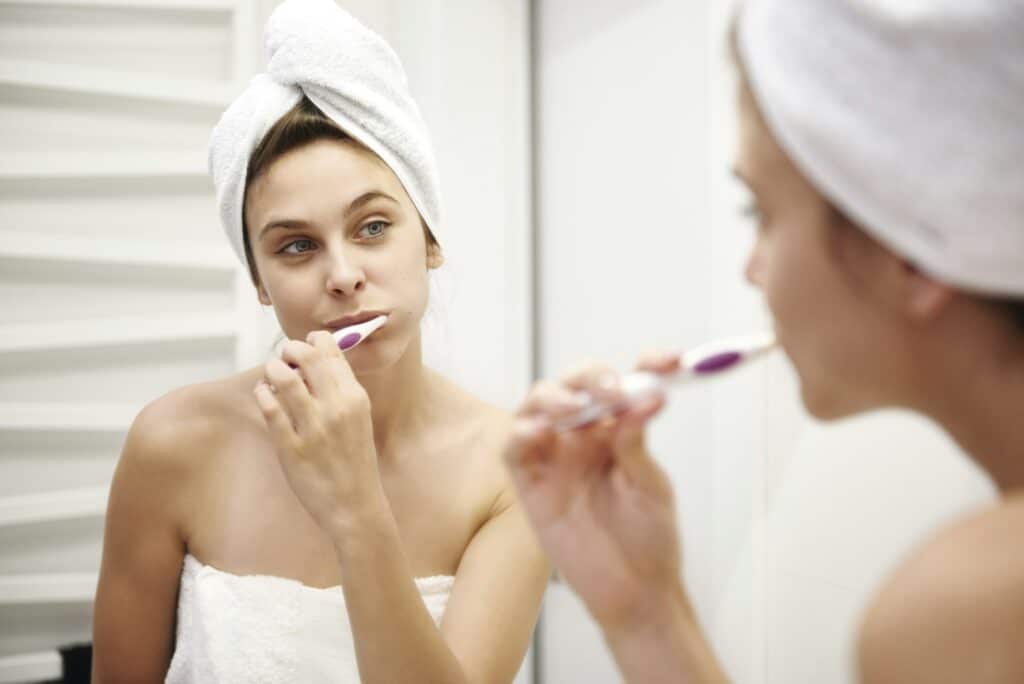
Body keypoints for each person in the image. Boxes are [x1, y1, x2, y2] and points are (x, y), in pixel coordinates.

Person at [504, 1, 1024, 682]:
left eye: (762, 212)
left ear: (912, 252)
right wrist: (646, 612)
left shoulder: (967, 617)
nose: (751, 267)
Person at [91, 1, 548, 681]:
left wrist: (355, 505)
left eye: (371, 228)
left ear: (429, 240)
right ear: (261, 283)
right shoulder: (172, 444)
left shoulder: (515, 473)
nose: (342, 277)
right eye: (297, 246)